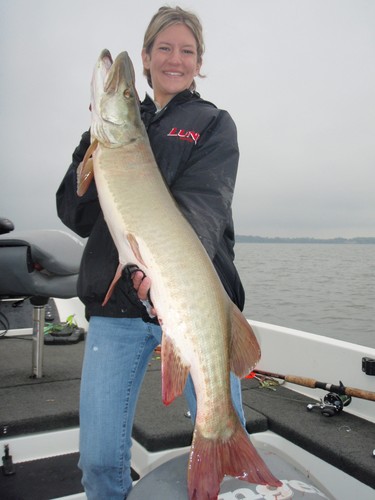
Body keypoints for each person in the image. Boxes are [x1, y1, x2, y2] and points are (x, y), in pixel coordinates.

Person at [56, 6, 246, 499]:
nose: (174, 59)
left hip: (195, 303)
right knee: (98, 464)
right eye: (164, 48)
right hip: (116, 310)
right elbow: (73, 213)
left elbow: (205, 208)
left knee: (226, 435)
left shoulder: (213, 125)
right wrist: (90, 146)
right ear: (146, 57)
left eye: (187, 50)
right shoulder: (112, 132)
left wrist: (163, 275)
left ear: (199, 62)